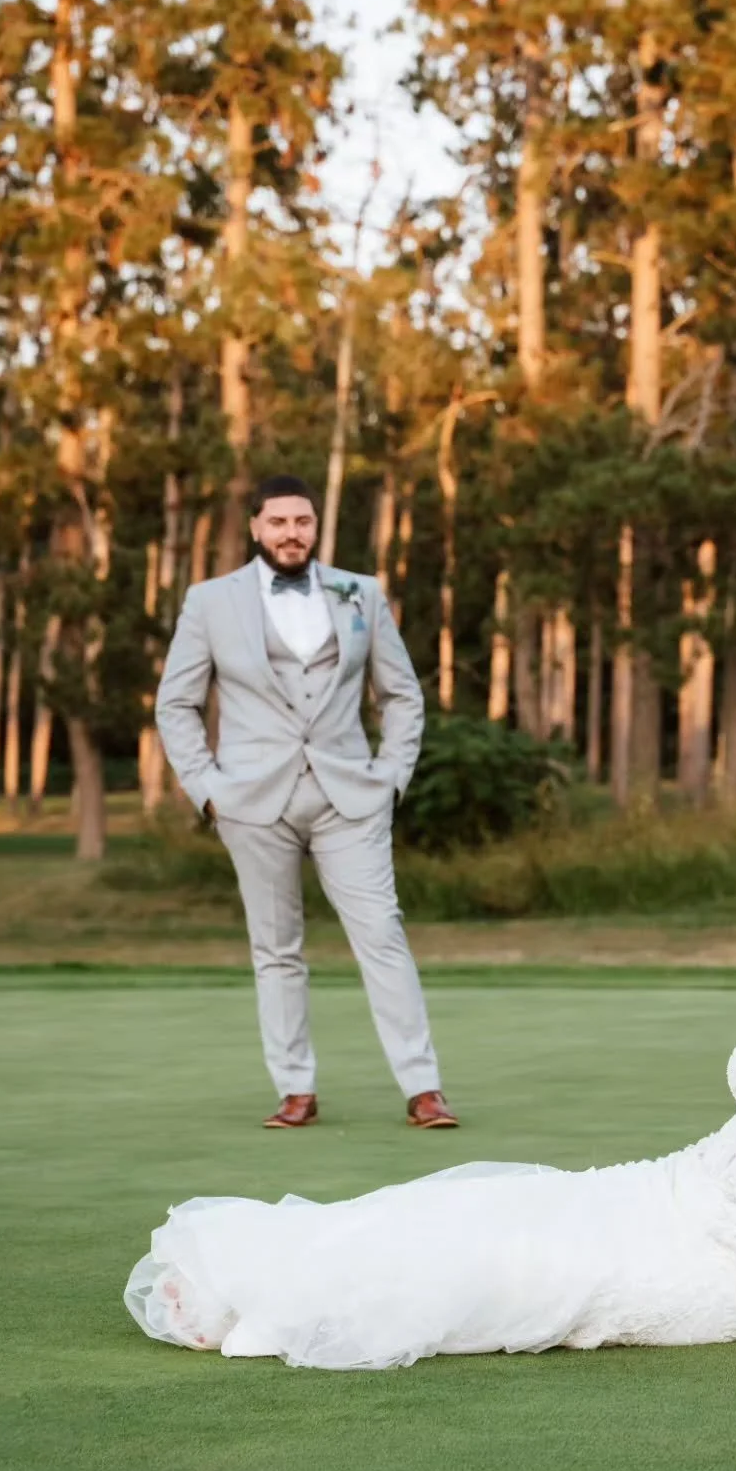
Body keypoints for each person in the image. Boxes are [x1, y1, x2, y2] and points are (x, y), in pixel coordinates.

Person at [123, 835, 736, 1369]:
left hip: (733, 1275)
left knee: (528, 1277)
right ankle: (271, 1275)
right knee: (479, 1205)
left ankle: (280, 1310)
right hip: (671, 1190)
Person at [155, 473, 458, 1132]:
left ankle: (423, 1087)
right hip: (250, 800)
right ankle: (296, 1089)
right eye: (279, 522)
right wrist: (207, 791)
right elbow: (175, 702)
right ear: (256, 528)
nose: (292, 532)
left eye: (303, 522)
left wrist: (391, 779)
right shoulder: (209, 601)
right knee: (276, 948)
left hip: (349, 796)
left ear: (316, 528)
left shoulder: (361, 593)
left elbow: (401, 695)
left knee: (382, 933)